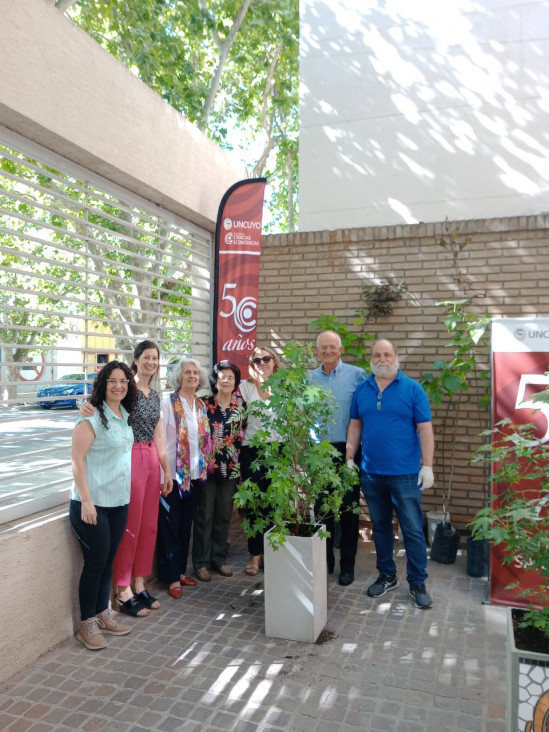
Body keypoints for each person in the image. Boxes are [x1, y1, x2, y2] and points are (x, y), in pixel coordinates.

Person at [80, 341, 173, 618]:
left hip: (151, 459)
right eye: (146, 357)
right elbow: (99, 403)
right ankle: (122, 590)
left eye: (155, 358)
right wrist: (83, 405)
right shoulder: (125, 387)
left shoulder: (155, 395)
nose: (151, 363)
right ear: (136, 359)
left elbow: (159, 436)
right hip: (128, 456)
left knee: (148, 526)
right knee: (130, 526)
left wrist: (167, 470)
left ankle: (139, 583)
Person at [346, 338, 435, 609]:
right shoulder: (363, 389)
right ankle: (387, 576)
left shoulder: (412, 389)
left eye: (387, 354)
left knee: (412, 530)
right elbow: (355, 424)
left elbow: (425, 429)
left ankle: (417, 582)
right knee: (381, 528)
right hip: (372, 473)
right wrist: (350, 458)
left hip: (406, 475)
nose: (382, 359)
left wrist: (427, 465)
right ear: (371, 359)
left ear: (396, 357)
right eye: (377, 354)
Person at [70, 360, 137, 650]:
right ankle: (87, 624)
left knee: (108, 560)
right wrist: (86, 501)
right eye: (112, 380)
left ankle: (102, 614)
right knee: (95, 563)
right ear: (102, 384)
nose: (118, 385)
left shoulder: (124, 414)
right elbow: (76, 461)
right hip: (92, 503)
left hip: (118, 501)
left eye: (123, 380)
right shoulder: (91, 417)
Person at [309, 330, 367, 586]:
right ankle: (325, 563)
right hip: (320, 452)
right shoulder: (308, 378)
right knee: (322, 511)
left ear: (340, 349)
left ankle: (347, 566)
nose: (328, 351)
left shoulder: (358, 375)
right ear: (317, 350)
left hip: (349, 451)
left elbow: (365, 413)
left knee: (348, 510)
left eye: (333, 347)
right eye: (324, 347)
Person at [157, 358, 212, 598]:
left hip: (196, 477)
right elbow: (160, 441)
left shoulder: (199, 404)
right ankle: (170, 578)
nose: (192, 376)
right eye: (187, 373)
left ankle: (179, 571)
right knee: (169, 526)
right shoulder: (168, 403)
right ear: (179, 377)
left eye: (195, 373)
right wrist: (164, 474)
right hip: (172, 477)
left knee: (185, 525)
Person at [192, 361, 247, 581]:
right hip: (206, 468)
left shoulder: (240, 407)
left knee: (224, 514)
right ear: (216, 381)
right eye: (222, 377)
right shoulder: (202, 403)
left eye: (230, 378)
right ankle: (201, 562)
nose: (226, 381)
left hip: (230, 469)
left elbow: (242, 436)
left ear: (235, 383)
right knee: (204, 514)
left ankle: (219, 559)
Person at [239, 346, 283, 575]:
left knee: (275, 503)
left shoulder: (284, 387)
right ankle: (255, 555)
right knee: (255, 504)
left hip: (278, 450)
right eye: (257, 360)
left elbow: (292, 422)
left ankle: (272, 552)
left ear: (274, 361)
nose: (262, 362)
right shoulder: (245, 388)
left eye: (266, 358)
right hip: (252, 451)